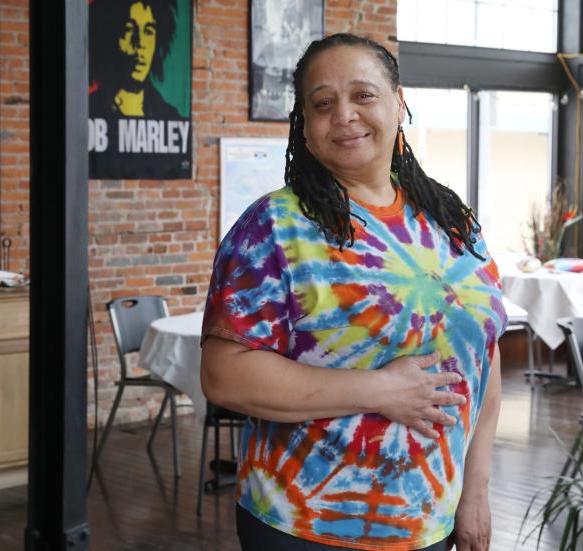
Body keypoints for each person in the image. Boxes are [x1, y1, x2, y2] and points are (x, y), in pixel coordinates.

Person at [201, 33, 507, 551]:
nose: (344, 114)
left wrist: (474, 490)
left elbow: (485, 355)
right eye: (323, 103)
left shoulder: (453, 221)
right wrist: (379, 390)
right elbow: (223, 377)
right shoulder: (275, 227)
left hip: (428, 519)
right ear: (305, 124)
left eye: (363, 95)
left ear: (399, 102)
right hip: (307, 524)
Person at [88, 0, 181, 119]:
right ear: (109, 37)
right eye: (129, 29)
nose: (141, 43)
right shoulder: (89, 110)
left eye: (148, 31)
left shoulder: (170, 116)